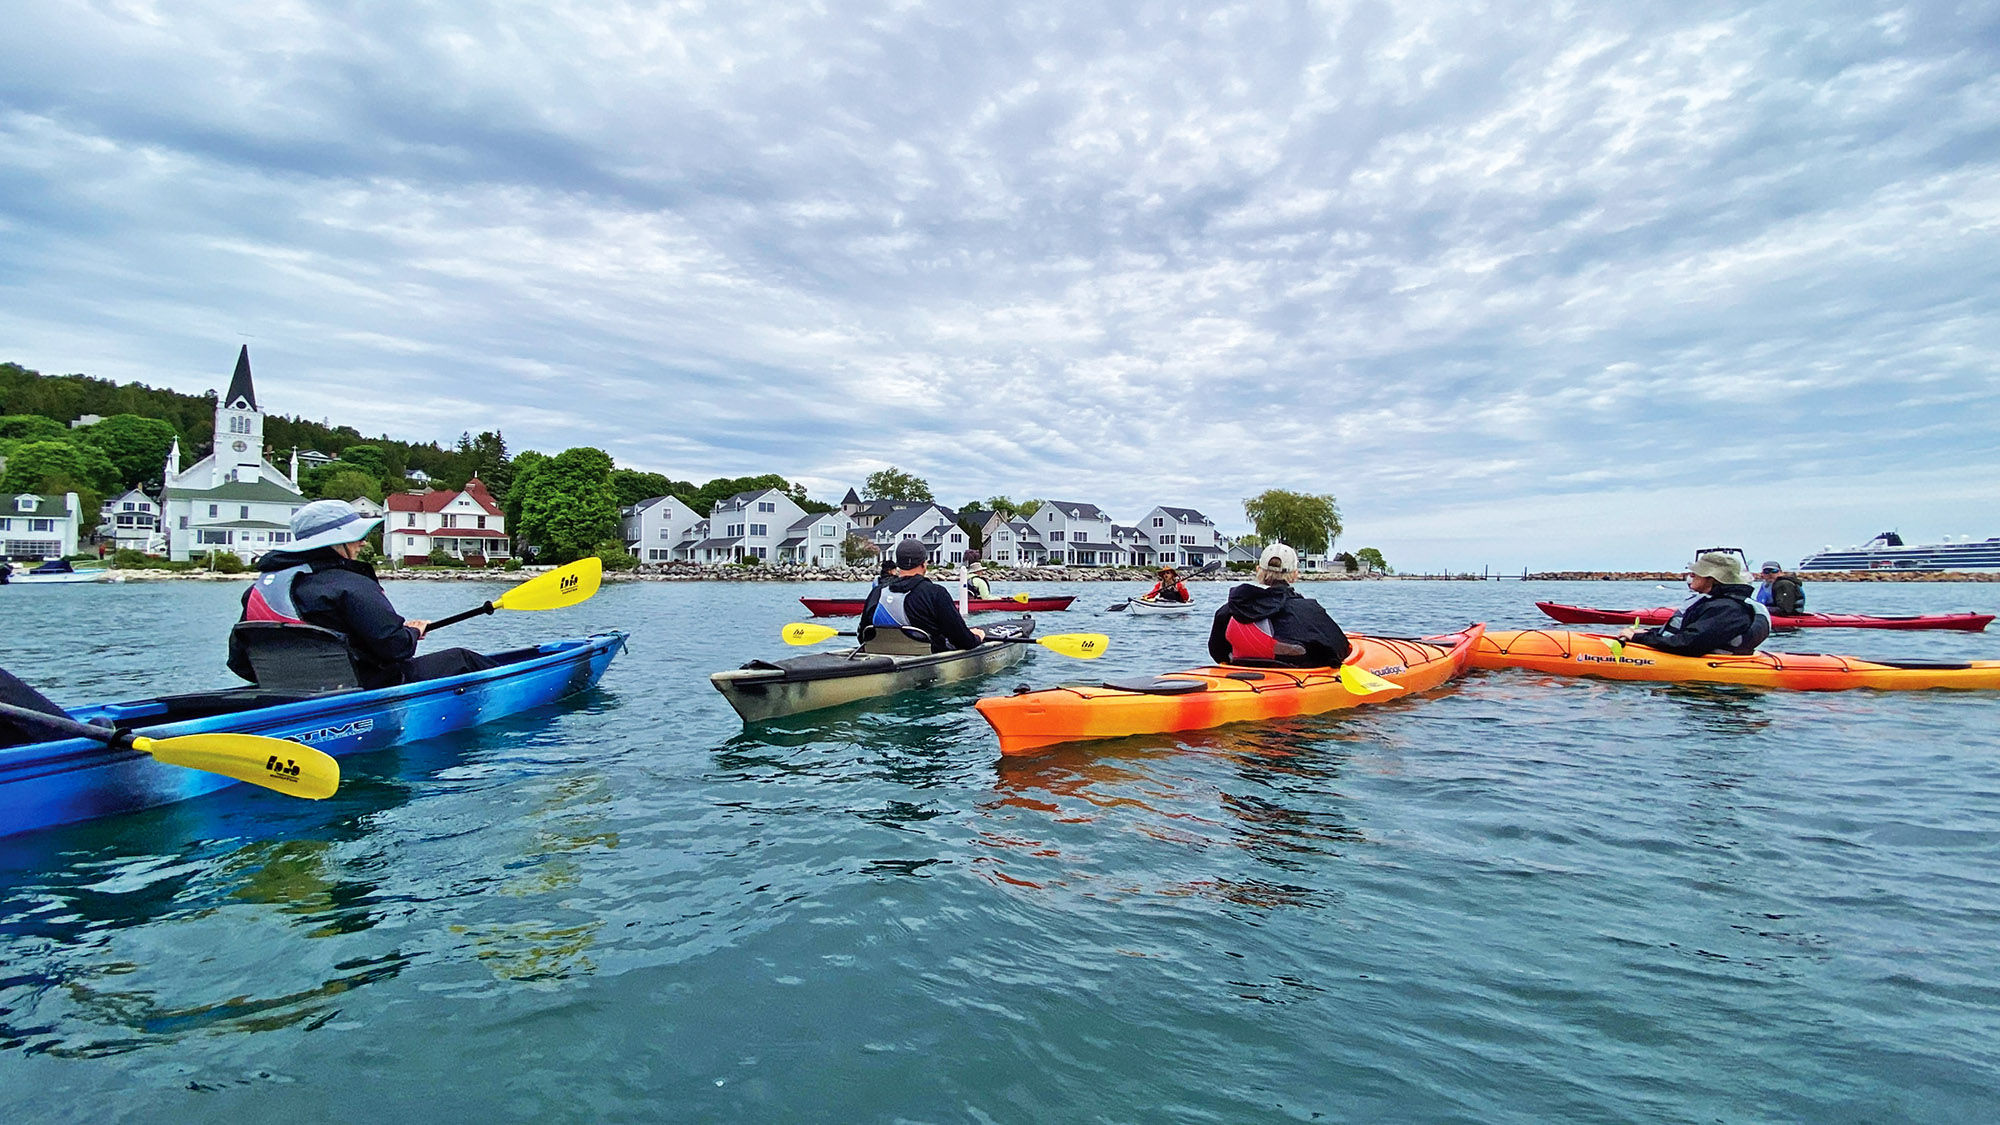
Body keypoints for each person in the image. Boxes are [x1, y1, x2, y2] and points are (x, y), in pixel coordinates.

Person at [225, 500, 499, 689]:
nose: (363, 542)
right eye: (356, 536)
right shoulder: (351, 585)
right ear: (336, 541)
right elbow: (396, 648)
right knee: (462, 659)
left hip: (289, 692)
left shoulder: (257, 591)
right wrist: (412, 632)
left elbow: (240, 664)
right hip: (363, 689)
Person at [1207, 543, 1351, 667]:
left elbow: (1217, 653)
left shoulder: (1230, 609)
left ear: (1259, 571)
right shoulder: (1308, 611)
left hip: (1242, 674)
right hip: (1291, 679)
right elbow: (1340, 650)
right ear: (1295, 574)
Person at [1620, 550, 1772, 656]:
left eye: (1696, 573)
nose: (1691, 575)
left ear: (1712, 578)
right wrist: (1649, 633)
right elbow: (1690, 633)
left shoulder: (1728, 609)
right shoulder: (1717, 603)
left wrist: (1638, 639)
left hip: (1713, 668)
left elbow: (1689, 644)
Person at [860, 538, 987, 652]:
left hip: (880, 655)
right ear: (923, 564)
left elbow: (862, 636)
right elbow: (964, 642)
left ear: (898, 564)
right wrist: (976, 637)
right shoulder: (936, 593)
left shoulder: (877, 592)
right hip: (925, 660)